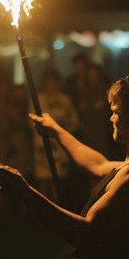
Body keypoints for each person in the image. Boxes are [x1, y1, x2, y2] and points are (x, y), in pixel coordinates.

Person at [0, 75, 129, 259]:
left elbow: (85, 233)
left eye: (115, 112)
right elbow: (97, 165)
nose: (111, 118)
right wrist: (56, 131)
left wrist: (25, 193)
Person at [34, 70, 79, 202]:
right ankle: (43, 213)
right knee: (43, 179)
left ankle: (57, 211)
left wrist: (64, 129)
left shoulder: (65, 100)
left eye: (54, 82)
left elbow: (74, 121)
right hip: (42, 144)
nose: (51, 85)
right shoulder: (38, 99)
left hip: (59, 145)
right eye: (48, 82)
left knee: (57, 180)